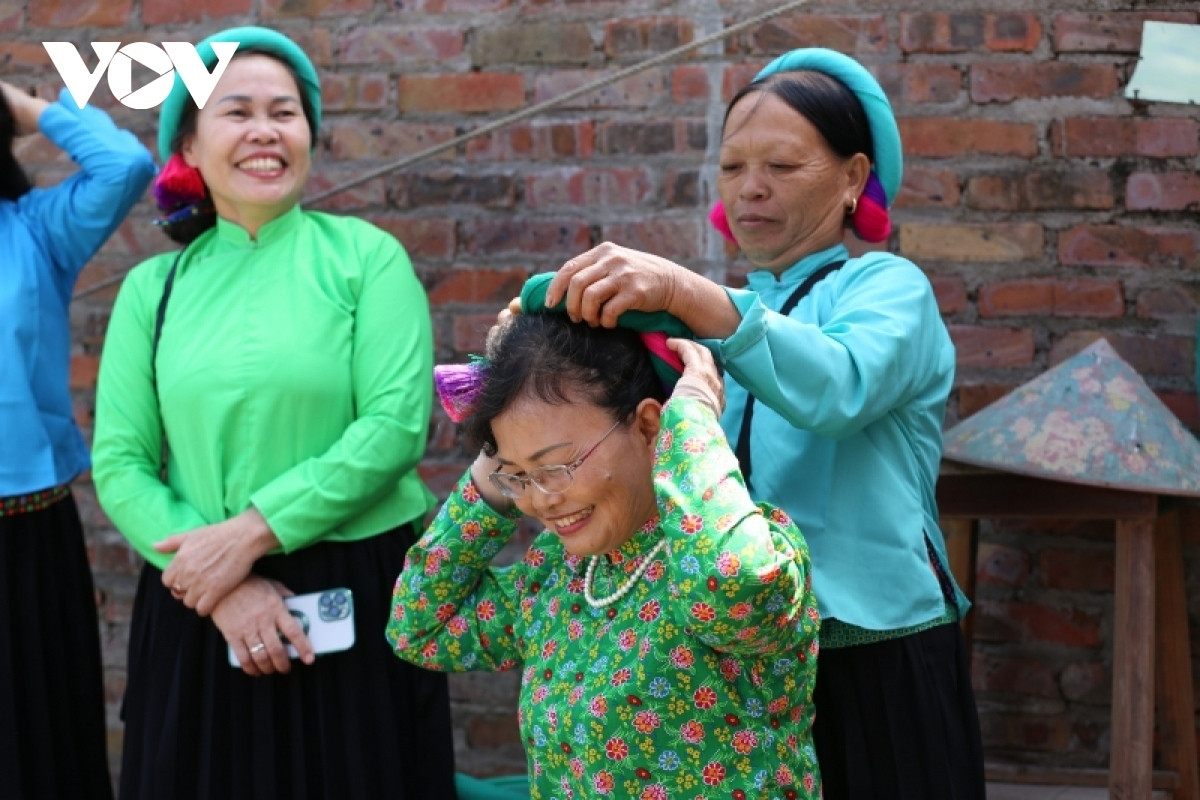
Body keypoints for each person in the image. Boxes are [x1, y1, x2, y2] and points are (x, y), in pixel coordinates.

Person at [543, 48, 985, 800]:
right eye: (734, 167)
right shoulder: (702, 316)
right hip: (738, 656)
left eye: (782, 166)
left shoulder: (886, 288)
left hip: (876, 648)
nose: (752, 189)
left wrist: (688, 295)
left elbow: (839, 387)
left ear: (852, 178)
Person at [91, 27, 455, 799]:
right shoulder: (151, 290)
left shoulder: (367, 258)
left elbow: (393, 428)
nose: (265, 131)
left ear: (310, 135)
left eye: (284, 113)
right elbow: (120, 462)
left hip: (356, 592)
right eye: (237, 112)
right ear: (187, 139)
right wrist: (222, 583)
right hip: (194, 597)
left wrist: (248, 537)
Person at [388, 305, 822, 799]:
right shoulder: (557, 575)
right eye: (518, 477)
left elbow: (732, 584)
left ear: (648, 426)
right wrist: (501, 451)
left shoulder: (756, 548)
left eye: (555, 465)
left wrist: (693, 420)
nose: (541, 500)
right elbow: (419, 628)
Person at [0, 79, 155, 799]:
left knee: (39, 742)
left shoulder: (33, 228)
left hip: (26, 532)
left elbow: (124, 167)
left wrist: (26, 109)